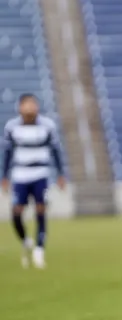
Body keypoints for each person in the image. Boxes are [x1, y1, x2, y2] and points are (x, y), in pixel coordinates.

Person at [1, 93, 66, 269]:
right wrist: (4, 176)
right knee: (16, 213)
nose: (30, 107)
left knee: (41, 210)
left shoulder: (47, 125)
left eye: (33, 104)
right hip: (20, 175)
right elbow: (7, 153)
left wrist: (61, 174)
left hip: (40, 174)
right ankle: (25, 240)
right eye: (26, 104)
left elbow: (56, 151)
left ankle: (39, 250)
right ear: (20, 107)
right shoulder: (12, 127)